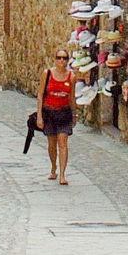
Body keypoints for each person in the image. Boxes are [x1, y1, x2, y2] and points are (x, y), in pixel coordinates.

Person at [35, 47, 77, 184]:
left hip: (64, 113)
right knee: (52, 144)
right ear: (55, 59)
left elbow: (72, 97)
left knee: (63, 143)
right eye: (59, 57)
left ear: (67, 60)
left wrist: (74, 114)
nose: (61, 60)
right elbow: (40, 94)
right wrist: (39, 116)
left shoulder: (71, 77)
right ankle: (53, 167)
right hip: (49, 113)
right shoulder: (47, 74)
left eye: (64, 58)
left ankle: (62, 175)